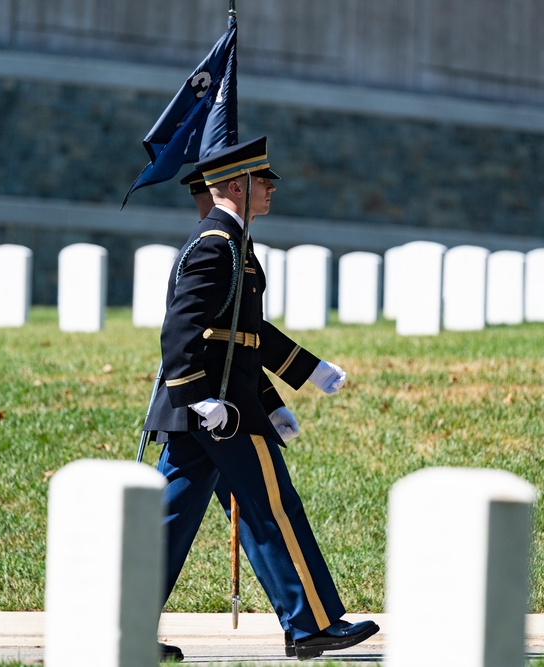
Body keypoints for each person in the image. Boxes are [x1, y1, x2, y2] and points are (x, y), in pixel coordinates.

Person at [144, 136, 379, 662]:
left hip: (221, 408)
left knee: (166, 519)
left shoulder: (232, 243)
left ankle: (118, 624)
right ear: (235, 185)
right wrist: (200, 399)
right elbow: (181, 329)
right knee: (272, 507)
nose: (271, 187)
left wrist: (298, 380)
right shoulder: (215, 244)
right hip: (218, 414)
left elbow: (244, 337)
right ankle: (312, 622)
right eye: (262, 179)